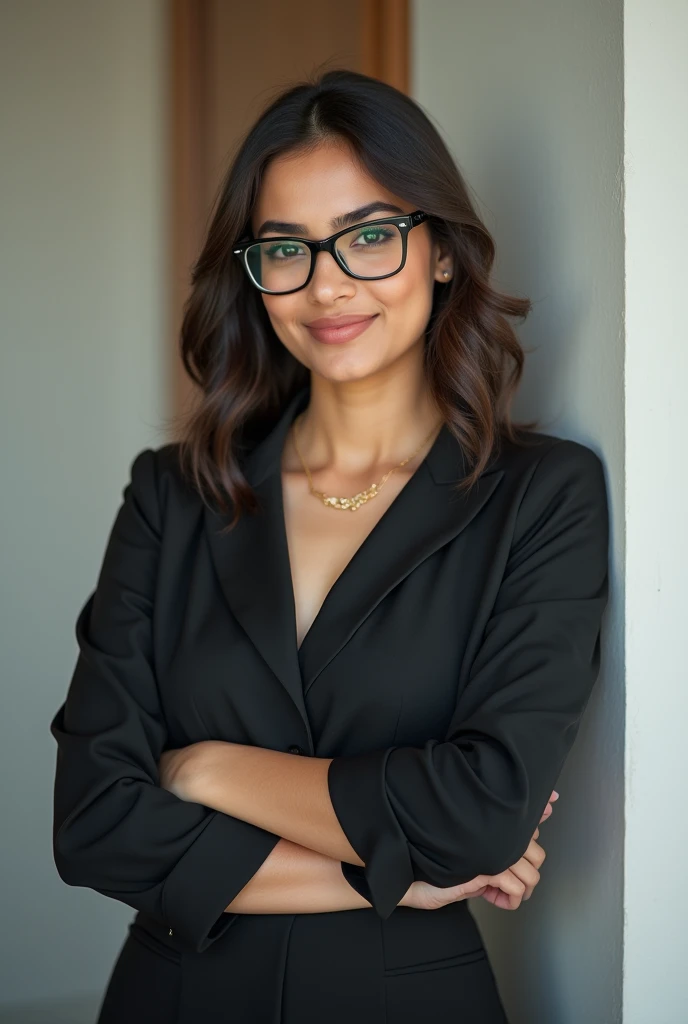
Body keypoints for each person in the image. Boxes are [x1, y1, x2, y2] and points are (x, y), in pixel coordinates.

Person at [49, 69, 609, 1024]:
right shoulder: (172, 495)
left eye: (370, 234)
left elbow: (481, 812)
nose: (327, 283)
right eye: (285, 249)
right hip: (174, 998)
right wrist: (396, 875)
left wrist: (201, 769)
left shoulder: (539, 496)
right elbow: (95, 825)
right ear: (254, 275)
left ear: (440, 251)